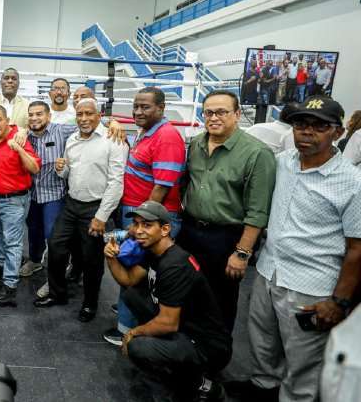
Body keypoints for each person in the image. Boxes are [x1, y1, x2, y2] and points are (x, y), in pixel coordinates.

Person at [240, 96, 361, 401]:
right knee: (262, 344)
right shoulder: (282, 163)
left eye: (320, 126)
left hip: (311, 285)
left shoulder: (352, 183)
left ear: (338, 132)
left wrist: (339, 301)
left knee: (302, 364)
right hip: (268, 272)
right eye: (301, 125)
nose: (307, 132)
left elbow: (357, 249)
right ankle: (262, 388)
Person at [105, 201, 232, 402]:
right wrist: (110, 258)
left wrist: (133, 333)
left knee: (138, 347)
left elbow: (168, 323)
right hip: (183, 326)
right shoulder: (153, 251)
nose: (138, 230)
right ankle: (169, 357)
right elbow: (127, 280)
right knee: (132, 294)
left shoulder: (174, 264)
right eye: (136, 224)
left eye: (147, 225)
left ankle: (201, 384)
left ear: (165, 229)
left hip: (206, 345)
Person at [178, 90, 276, 333]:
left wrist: (242, 253)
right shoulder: (197, 144)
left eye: (221, 112)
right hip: (190, 231)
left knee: (219, 302)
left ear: (237, 114)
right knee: (186, 293)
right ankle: (186, 351)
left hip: (226, 238)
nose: (214, 117)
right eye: (209, 112)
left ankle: (214, 362)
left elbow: (258, 211)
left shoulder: (257, 153)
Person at [105, 87, 186, 346]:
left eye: (145, 107)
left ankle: (126, 329)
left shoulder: (167, 136)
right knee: (131, 261)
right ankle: (129, 310)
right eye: (136, 106)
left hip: (151, 216)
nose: (139, 111)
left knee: (133, 268)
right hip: (138, 212)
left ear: (161, 109)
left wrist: (142, 224)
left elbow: (161, 187)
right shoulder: (147, 132)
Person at [35, 98, 127, 322]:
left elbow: (116, 183)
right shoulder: (72, 139)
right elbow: (68, 173)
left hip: (95, 208)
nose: (84, 119)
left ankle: (90, 304)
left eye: (88, 114)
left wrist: (101, 216)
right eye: (80, 114)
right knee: (56, 246)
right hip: (71, 204)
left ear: (99, 115)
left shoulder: (113, 140)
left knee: (91, 259)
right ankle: (58, 294)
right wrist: (61, 169)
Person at [0, 105, 41, 306]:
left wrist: (18, 147)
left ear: (7, 119)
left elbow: (34, 167)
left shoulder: (18, 138)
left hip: (14, 200)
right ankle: (1, 266)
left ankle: (10, 287)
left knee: (13, 242)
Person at [21, 101, 73, 278]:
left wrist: (112, 123)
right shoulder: (26, 135)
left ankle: (60, 267)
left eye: (39, 114)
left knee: (53, 234)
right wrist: (21, 131)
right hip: (32, 193)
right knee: (33, 231)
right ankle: (35, 261)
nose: (34, 118)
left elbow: (88, 125)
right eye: (31, 114)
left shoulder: (61, 130)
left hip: (54, 194)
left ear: (48, 116)